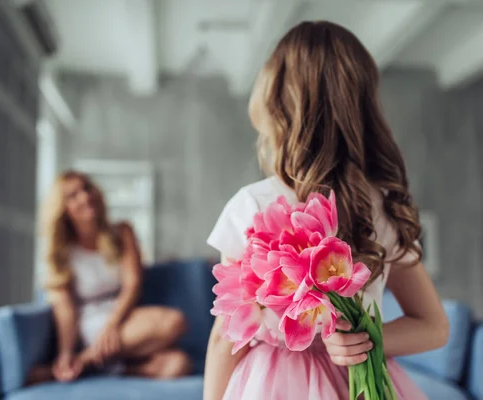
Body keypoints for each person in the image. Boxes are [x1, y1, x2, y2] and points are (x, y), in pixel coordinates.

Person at [203, 21, 449, 400]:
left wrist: (353, 337)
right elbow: (433, 326)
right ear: (364, 105)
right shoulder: (378, 206)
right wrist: (367, 336)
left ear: (274, 104)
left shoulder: (252, 206)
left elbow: (226, 336)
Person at [31, 170, 191, 384]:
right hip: (87, 323)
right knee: (173, 321)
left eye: (86, 188)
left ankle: (88, 365)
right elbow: (65, 309)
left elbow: (132, 284)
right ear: (63, 209)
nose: (85, 197)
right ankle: (78, 361)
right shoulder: (61, 251)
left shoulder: (122, 232)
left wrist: (112, 326)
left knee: (179, 365)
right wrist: (65, 352)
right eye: (73, 195)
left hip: (121, 316)